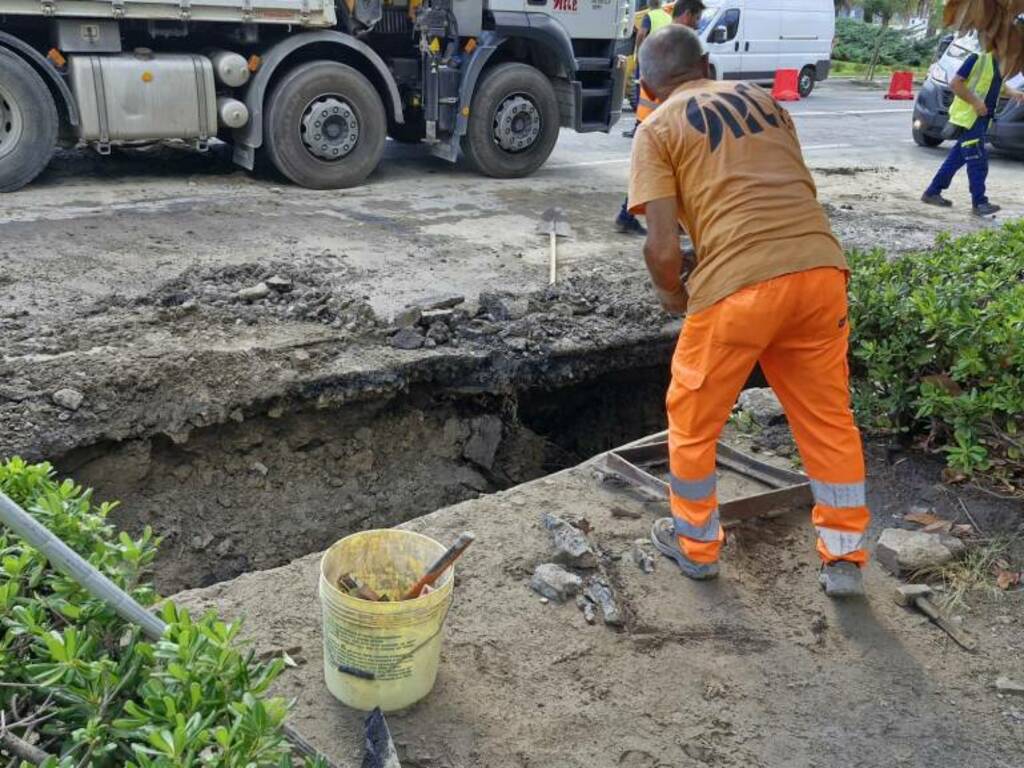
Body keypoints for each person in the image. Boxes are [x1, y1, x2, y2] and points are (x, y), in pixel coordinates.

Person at [628, 24, 871, 597]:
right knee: (828, 419)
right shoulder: (764, 100)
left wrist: (674, 296)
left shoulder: (657, 127)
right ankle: (844, 558)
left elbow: (661, 249)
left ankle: (696, 547)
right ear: (707, 65)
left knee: (692, 422)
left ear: (647, 84)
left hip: (738, 287)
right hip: (819, 271)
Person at [616, 0, 705, 235]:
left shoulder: (663, 38)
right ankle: (631, 217)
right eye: (696, 18)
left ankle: (641, 218)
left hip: (651, 118)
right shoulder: (678, 45)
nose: (697, 24)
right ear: (687, 15)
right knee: (657, 174)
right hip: (661, 121)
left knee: (659, 173)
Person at [922, 51, 1024, 216]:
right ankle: (980, 203)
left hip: (980, 119)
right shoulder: (978, 58)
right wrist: (976, 102)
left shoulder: (997, 61)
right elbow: (955, 84)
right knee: (978, 161)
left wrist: (1014, 93)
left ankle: (932, 192)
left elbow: (995, 85)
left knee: (955, 159)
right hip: (970, 119)